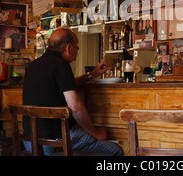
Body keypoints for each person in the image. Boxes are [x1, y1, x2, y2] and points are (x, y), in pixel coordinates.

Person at [22, 27, 123, 156]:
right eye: (77, 45)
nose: (78, 49)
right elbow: (75, 108)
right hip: (54, 141)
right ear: (69, 48)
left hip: (30, 142)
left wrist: (91, 75)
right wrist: (95, 133)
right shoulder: (61, 65)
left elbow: (64, 85)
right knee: (114, 150)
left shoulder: (34, 65)